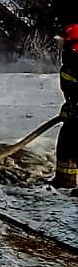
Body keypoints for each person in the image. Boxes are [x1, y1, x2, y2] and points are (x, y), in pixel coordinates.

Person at [52, 22, 78, 191]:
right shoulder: (72, 62)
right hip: (75, 112)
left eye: (65, 42)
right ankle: (65, 181)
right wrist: (71, 105)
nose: (61, 46)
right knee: (67, 143)